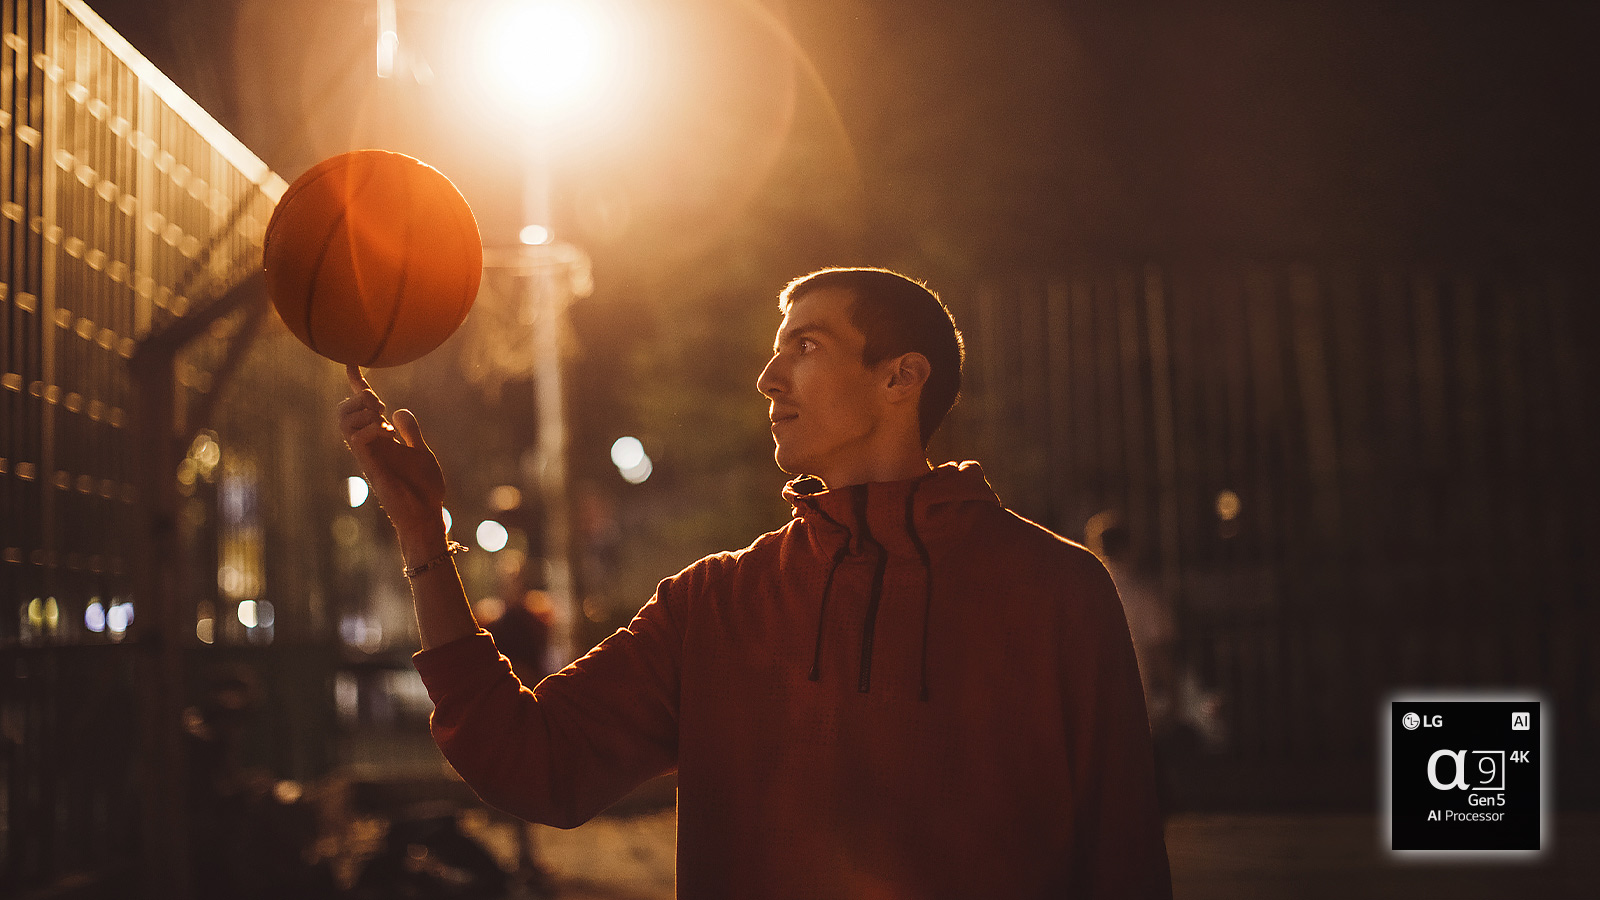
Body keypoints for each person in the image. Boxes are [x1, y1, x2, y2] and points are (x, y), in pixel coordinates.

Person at [338, 267, 1173, 898]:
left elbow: (1124, 857)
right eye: (775, 352)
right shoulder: (714, 604)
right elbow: (528, 761)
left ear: (900, 378)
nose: (769, 379)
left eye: (805, 347)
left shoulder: (1056, 590)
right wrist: (423, 537)